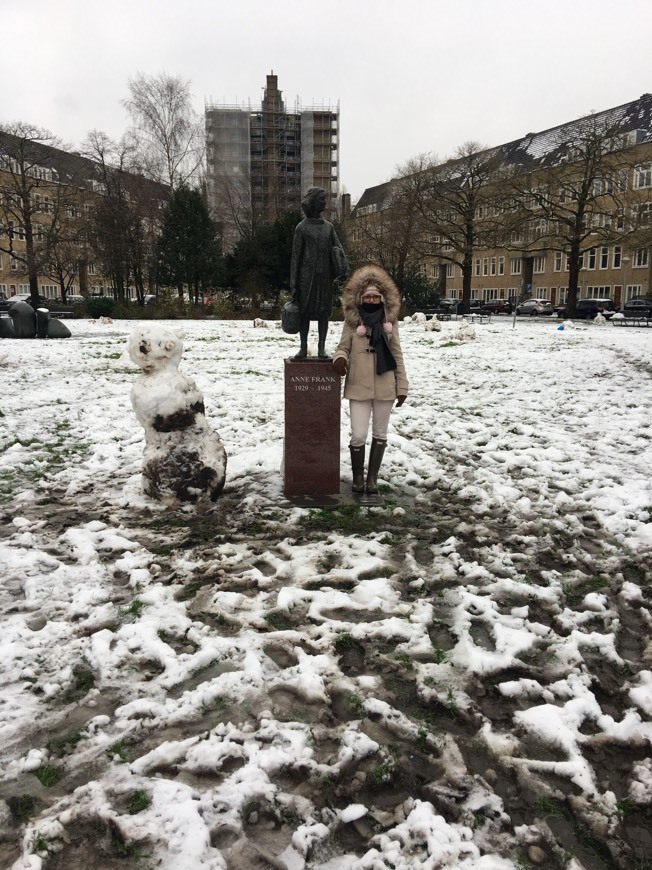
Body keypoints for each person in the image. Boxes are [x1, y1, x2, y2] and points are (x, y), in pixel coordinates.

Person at [332, 265, 408, 494]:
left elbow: (397, 354)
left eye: (376, 296)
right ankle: (357, 478)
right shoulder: (352, 323)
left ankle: (372, 479)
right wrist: (340, 360)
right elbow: (342, 347)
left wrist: (402, 385)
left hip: (385, 386)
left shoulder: (390, 324)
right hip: (358, 386)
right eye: (368, 296)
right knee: (358, 435)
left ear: (383, 298)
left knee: (380, 433)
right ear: (360, 298)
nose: (372, 300)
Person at [290, 187, 348, 359]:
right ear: (313, 201)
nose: (325, 202)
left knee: (323, 314)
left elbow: (339, 250)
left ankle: (322, 348)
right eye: (322, 199)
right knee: (305, 314)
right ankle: (303, 348)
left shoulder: (329, 228)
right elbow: (295, 258)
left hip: (325, 277)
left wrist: (342, 268)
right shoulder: (301, 228)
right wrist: (293, 284)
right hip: (306, 279)